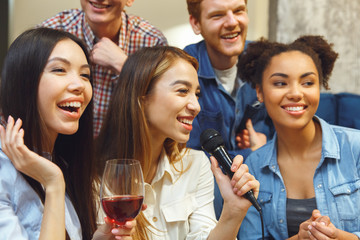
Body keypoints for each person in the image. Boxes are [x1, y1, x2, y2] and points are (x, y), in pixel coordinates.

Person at [96, 45, 260, 239]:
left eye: (196, 94)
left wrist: (233, 212)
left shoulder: (195, 164)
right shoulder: (94, 174)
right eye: (182, 91)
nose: (196, 106)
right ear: (142, 98)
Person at [0, 27, 136, 240]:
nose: (79, 85)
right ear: (23, 81)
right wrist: (53, 182)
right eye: (59, 70)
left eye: (85, 75)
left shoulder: (65, 162)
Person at [237, 35, 360, 239]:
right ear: (259, 91)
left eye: (307, 82)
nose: (295, 93)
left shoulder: (355, 148)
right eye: (280, 83)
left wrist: (340, 237)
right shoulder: (254, 167)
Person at [40, 0, 167, 137]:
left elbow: (163, 113)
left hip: (127, 152)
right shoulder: (50, 32)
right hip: (61, 150)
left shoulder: (153, 42)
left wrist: (125, 66)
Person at [184, 0, 274, 158]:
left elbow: (290, 138)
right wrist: (255, 153)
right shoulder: (184, 70)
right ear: (196, 23)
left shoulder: (267, 60)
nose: (232, 22)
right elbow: (189, 157)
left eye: (239, 11)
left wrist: (267, 143)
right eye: (217, 15)